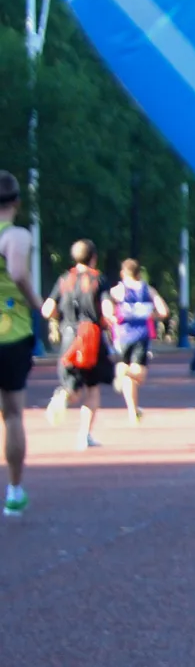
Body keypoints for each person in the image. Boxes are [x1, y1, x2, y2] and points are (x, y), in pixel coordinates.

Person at [43, 240, 114, 449]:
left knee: (72, 385)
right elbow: (107, 308)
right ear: (94, 257)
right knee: (92, 388)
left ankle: (64, 395)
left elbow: (47, 310)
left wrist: (61, 317)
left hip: (69, 336)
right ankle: (84, 435)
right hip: (92, 337)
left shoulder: (65, 279)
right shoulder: (98, 279)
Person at [0, 173, 35, 516]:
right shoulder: (16, 235)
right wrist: (37, 302)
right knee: (12, 415)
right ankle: (13, 491)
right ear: (17, 203)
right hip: (11, 333)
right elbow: (18, 272)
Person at [105, 259, 168, 423]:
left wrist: (112, 316)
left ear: (122, 273)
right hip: (141, 336)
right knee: (139, 374)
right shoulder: (148, 289)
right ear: (139, 273)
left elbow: (106, 308)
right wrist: (150, 314)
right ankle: (123, 372)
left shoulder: (117, 290)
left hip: (121, 336)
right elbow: (164, 311)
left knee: (130, 378)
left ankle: (133, 412)